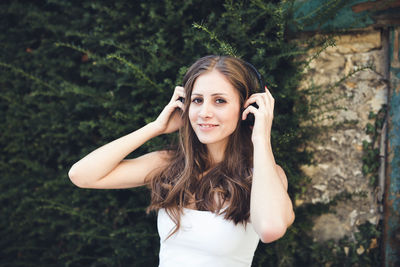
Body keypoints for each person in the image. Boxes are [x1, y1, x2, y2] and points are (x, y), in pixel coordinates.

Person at [68, 55, 295, 267]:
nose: (204, 112)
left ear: (247, 108)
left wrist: (261, 137)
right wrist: (155, 128)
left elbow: (270, 229)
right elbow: (81, 175)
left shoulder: (264, 175)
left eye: (219, 101)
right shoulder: (170, 164)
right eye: (197, 100)